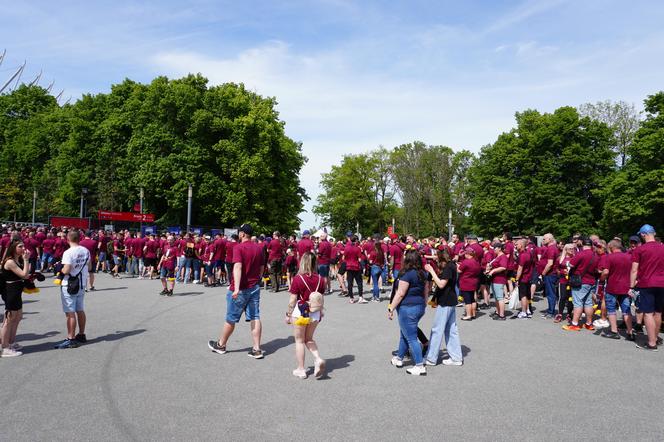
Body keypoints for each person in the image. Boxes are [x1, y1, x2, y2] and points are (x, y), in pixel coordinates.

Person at [208, 224, 265, 359]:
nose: (239, 234)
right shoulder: (258, 248)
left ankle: (221, 345)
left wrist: (237, 288)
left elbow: (238, 267)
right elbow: (262, 267)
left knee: (231, 318)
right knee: (255, 316)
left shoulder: (238, 248)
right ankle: (257, 349)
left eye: (240, 232)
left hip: (240, 288)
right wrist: (258, 280)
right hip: (254, 287)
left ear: (243, 234)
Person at [285, 252, 326, 379]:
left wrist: (288, 313)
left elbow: (292, 299)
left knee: (299, 341)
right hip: (315, 312)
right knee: (309, 339)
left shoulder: (298, 278)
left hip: (301, 312)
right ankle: (317, 358)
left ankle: (301, 369)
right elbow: (321, 297)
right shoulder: (320, 279)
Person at [388, 249, 427, 376]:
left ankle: (419, 365)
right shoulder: (422, 273)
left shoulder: (407, 274)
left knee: (411, 337)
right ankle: (399, 358)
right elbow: (426, 291)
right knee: (404, 334)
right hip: (419, 305)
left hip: (407, 307)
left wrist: (391, 308)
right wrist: (424, 304)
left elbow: (400, 293)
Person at [423, 249, 463, 366]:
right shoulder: (450, 266)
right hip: (448, 300)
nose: (434, 257)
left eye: (436, 255)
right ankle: (456, 357)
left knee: (437, 330)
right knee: (451, 330)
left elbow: (441, 284)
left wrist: (431, 271)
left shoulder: (449, 267)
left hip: (446, 301)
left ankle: (431, 358)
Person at [55, 230, 91, 349]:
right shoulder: (86, 251)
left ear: (68, 239)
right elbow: (89, 266)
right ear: (79, 239)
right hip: (81, 283)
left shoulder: (68, 252)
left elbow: (67, 269)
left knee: (70, 312)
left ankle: (71, 338)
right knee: (80, 309)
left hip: (69, 284)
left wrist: (59, 269)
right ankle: (81, 334)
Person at [630, 224, 664, 350]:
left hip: (647, 283)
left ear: (643, 235)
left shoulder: (640, 250)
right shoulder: (663, 248)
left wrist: (631, 286)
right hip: (662, 283)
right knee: (658, 312)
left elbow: (634, 270)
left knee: (648, 313)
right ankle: (654, 338)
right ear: (654, 233)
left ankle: (651, 343)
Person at [0, 239, 32, 357]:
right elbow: (24, 275)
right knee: (9, 320)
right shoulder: (9, 262)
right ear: (13, 248)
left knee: (18, 317)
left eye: (23, 245)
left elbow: (26, 274)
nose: (23, 248)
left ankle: (11, 342)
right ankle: (4, 347)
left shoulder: (16, 259)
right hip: (11, 292)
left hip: (17, 291)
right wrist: (26, 259)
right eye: (20, 246)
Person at [600, 239, 634, 340]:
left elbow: (605, 272)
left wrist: (601, 278)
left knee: (611, 309)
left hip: (613, 287)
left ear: (611, 247)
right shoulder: (629, 257)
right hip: (626, 287)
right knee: (626, 310)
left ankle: (614, 331)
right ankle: (630, 332)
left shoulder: (609, 257)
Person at [563, 237, 598, 331]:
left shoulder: (581, 254)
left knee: (578, 303)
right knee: (588, 303)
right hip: (591, 281)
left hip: (580, 281)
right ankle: (589, 323)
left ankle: (574, 324)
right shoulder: (595, 255)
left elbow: (571, 264)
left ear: (582, 244)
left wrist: (568, 264)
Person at [514, 238, 535, 319]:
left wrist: (517, 279)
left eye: (517, 244)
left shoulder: (523, 255)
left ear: (521, 245)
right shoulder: (528, 253)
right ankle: (527, 310)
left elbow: (520, 268)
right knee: (526, 295)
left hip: (523, 277)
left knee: (523, 295)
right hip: (528, 276)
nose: (515, 246)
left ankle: (523, 312)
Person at [458, 248, 481, 320]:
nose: (464, 255)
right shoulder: (476, 262)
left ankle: (468, 315)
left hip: (466, 282)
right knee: (472, 299)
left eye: (465, 253)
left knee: (467, 300)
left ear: (468, 254)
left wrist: (457, 266)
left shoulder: (466, 262)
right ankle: (473, 314)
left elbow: (459, 271)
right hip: (474, 281)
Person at [540, 233, 559, 319]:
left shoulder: (551, 249)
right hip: (549, 274)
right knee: (549, 293)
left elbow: (550, 264)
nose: (543, 240)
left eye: (544, 239)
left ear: (550, 239)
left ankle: (551, 311)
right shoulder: (551, 248)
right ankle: (550, 310)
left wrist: (543, 273)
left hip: (550, 274)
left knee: (550, 293)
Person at [487, 242, 508, 320]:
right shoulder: (497, 256)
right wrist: (489, 269)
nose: (493, 250)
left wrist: (493, 271)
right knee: (496, 298)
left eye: (494, 248)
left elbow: (503, 267)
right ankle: (498, 312)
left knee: (499, 298)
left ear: (499, 248)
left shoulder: (503, 257)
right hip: (494, 279)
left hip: (499, 279)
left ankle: (502, 315)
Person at [343, 235, 366, 304]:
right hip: (356, 267)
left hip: (349, 267)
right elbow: (359, 259)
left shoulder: (346, 248)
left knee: (350, 283)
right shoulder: (358, 248)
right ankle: (360, 297)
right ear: (356, 240)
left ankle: (351, 298)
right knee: (359, 282)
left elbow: (344, 258)